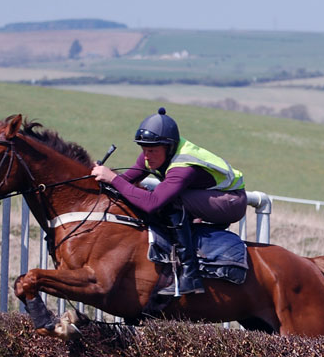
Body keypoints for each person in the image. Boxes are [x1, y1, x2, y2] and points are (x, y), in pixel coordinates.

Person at [91, 107, 247, 296]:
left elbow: (152, 203)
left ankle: (190, 275)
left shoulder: (183, 166)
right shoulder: (155, 152)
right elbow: (126, 181)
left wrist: (113, 178)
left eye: (152, 151)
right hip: (207, 196)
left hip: (232, 201)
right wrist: (99, 177)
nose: (146, 156)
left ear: (169, 147)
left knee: (171, 200)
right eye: (143, 149)